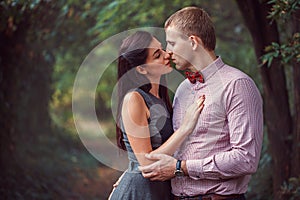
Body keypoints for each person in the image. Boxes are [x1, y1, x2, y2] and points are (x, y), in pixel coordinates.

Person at [139, 7, 264, 200]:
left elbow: (246, 159)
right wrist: (131, 175)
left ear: (193, 42)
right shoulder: (182, 89)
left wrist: (181, 168)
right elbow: (171, 146)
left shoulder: (237, 85)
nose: (168, 52)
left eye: (171, 43)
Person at [109, 31, 205, 200]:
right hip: (140, 192)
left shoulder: (161, 97)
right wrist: (185, 128)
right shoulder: (134, 99)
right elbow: (146, 163)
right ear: (141, 69)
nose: (167, 54)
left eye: (162, 49)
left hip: (160, 190)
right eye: (157, 55)